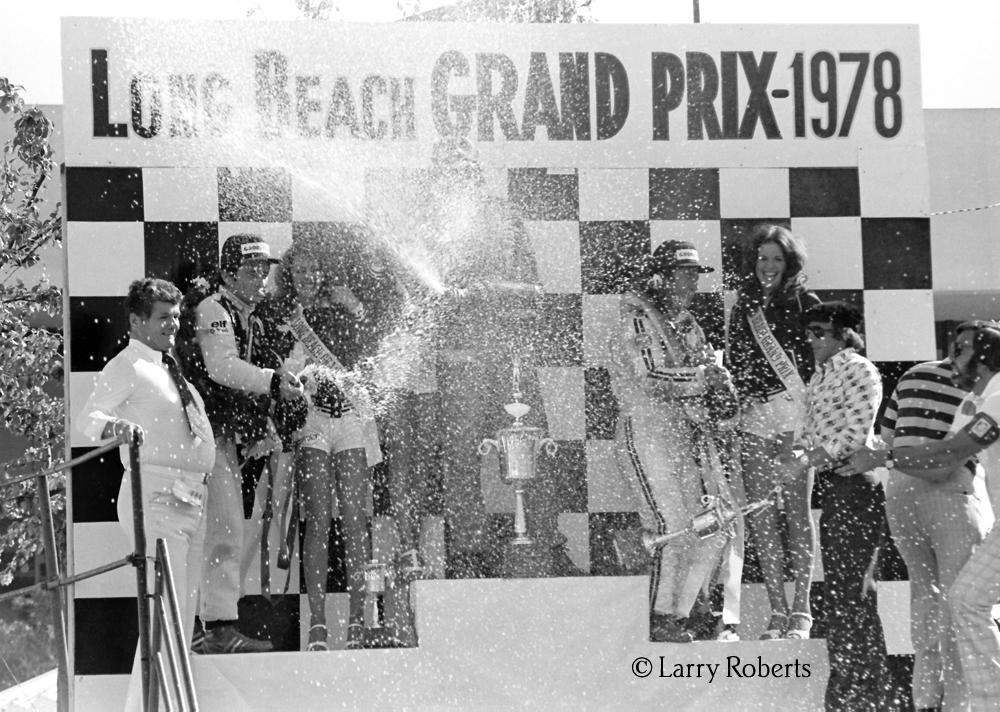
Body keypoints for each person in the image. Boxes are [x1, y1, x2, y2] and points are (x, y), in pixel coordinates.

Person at [839, 323, 1000, 712]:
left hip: (949, 499)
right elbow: (942, 459)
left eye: (961, 349)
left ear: (983, 358)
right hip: (957, 506)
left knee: (963, 604)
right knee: (958, 602)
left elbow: (948, 456)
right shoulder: (975, 402)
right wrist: (885, 458)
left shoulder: (996, 397)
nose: (952, 356)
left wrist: (885, 458)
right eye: (952, 346)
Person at [78, 278, 215, 711]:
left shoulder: (169, 366)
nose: (173, 325)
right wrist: (116, 427)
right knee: (164, 614)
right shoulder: (128, 365)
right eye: (163, 317)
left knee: (181, 617)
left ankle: (165, 705)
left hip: (191, 499)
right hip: (155, 495)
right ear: (137, 321)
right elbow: (87, 419)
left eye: (176, 317)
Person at [607, 239, 740, 643]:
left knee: (710, 525)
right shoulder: (636, 318)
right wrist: (703, 379)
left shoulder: (689, 324)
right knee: (672, 523)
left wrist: (722, 392)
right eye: (683, 274)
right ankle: (661, 615)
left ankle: (686, 610)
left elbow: (708, 374)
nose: (691, 282)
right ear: (660, 278)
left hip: (685, 432)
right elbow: (649, 377)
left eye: (694, 274)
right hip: (646, 428)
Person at [177, 233, 303, 653]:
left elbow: (253, 377)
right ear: (228, 274)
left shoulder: (251, 316)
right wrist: (273, 382)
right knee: (222, 527)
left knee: (224, 527)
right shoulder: (214, 309)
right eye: (251, 270)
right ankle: (213, 628)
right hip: (198, 438)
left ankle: (208, 626)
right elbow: (222, 368)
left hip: (220, 439)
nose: (260, 278)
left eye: (264, 270)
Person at [271, 232, 384, 651]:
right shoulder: (282, 314)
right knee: (317, 519)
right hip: (312, 422)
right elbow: (279, 370)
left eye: (315, 268)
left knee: (355, 519)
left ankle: (357, 621)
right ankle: (317, 623)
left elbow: (370, 352)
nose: (308, 276)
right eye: (300, 269)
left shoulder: (342, 306)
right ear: (289, 274)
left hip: (351, 417)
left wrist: (355, 308)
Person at [783, 301, 890, 711]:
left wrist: (803, 461)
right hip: (836, 487)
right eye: (808, 332)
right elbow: (810, 433)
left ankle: (866, 695)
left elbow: (854, 435)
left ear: (844, 334)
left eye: (819, 332)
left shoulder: (860, 369)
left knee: (854, 595)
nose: (810, 339)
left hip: (857, 487)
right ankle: (849, 690)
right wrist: (796, 455)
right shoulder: (819, 376)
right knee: (841, 596)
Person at [727, 224, 820, 640]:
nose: (768, 266)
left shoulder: (804, 302)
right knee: (761, 514)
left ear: (790, 263)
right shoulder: (743, 305)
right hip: (754, 414)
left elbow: (817, 362)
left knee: (797, 511)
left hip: (791, 411)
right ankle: (777, 611)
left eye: (777, 259)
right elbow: (737, 361)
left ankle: (802, 609)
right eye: (762, 258)